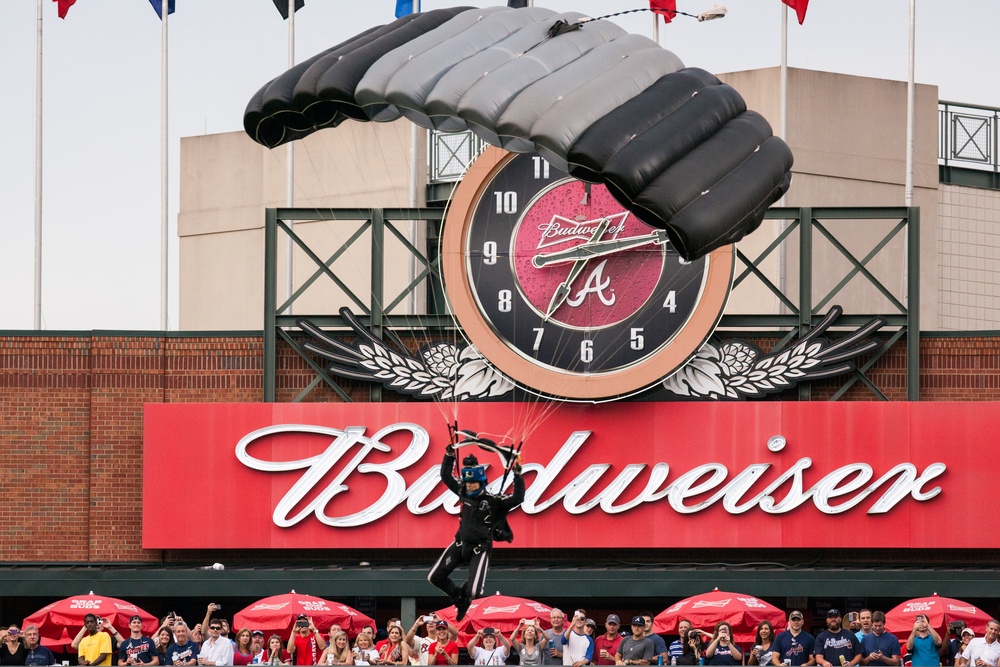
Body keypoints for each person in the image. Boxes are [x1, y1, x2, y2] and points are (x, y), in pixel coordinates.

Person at [427, 445, 525, 621]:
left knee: (475, 592)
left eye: (473, 483)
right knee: (434, 577)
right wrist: (449, 455)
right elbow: (446, 476)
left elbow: (518, 498)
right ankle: (458, 597)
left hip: (480, 548)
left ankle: (465, 597)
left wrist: (518, 476)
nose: (470, 486)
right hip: (460, 544)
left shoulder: (494, 501)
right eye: (468, 483)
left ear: (482, 483)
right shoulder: (462, 491)